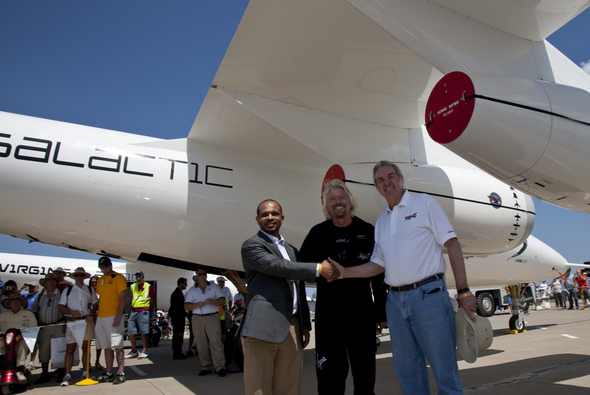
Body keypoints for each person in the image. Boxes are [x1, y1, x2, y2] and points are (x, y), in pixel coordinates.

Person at [327, 161, 477, 395]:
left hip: (428, 296)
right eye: (380, 180)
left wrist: (464, 290)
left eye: (390, 177)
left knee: (444, 371)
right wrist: (345, 272)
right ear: (376, 187)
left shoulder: (424, 203)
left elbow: (452, 244)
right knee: (408, 372)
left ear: (400, 178)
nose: (387, 183)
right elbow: (377, 265)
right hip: (395, 303)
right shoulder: (382, 222)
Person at [240, 198, 338, 395]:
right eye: (265, 214)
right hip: (262, 328)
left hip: (292, 328)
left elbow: (298, 286)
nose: (270, 217)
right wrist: (319, 268)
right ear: (257, 219)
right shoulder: (252, 246)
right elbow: (279, 267)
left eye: (274, 213)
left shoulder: (291, 250)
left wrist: (303, 324)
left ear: (282, 217)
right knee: (259, 389)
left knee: (290, 388)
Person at [298, 179, 381, 395]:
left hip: (362, 317)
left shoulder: (368, 231)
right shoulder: (317, 233)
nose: (337, 202)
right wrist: (319, 268)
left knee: (365, 378)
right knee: (329, 380)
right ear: (326, 206)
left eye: (341, 197)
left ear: (350, 201)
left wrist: (382, 313)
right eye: (332, 200)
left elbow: (380, 275)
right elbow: (300, 268)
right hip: (329, 320)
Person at [58, 267, 97, 386]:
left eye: (81, 275)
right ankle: (67, 374)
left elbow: (95, 304)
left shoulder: (90, 290)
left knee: (86, 349)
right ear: (74, 277)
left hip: (85, 321)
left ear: (84, 277)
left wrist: (91, 312)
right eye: (77, 275)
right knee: (70, 349)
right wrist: (71, 311)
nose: (79, 277)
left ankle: (85, 372)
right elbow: (60, 306)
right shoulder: (67, 290)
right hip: (72, 322)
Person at [184, 270, 227, 377]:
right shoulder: (192, 290)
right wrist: (197, 305)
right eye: (199, 274)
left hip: (212, 317)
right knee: (200, 343)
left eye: (204, 274)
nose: (202, 276)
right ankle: (205, 366)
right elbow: (186, 306)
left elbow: (223, 301)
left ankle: (220, 367)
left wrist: (212, 301)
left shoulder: (214, 287)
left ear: (206, 276)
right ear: (196, 277)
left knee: (216, 342)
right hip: (197, 318)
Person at [94, 256, 128, 385]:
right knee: (106, 347)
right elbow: (101, 297)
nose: (104, 269)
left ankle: (120, 372)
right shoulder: (100, 279)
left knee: (117, 346)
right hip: (101, 317)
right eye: (102, 267)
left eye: (106, 266)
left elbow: (122, 298)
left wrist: (119, 316)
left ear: (110, 265)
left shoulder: (118, 278)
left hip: (113, 317)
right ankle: (109, 372)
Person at [32, 273, 65, 384]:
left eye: (53, 281)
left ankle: (61, 373)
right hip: (44, 327)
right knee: (44, 351)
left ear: (56, 282)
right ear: (45, 283)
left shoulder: (61, 294)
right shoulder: (40, 295)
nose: (50, 283)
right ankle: (45, 374)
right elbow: (35, 309)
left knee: (59, 350)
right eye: (48, 281)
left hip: (58, 325)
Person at [0, 292, 38, 385]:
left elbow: (34, 329)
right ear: (9, 303)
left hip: (23, 338)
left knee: (22, 345)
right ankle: (3, 370)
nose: (15, 303)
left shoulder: (28, 314)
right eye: (12, 301)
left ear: (21, 303)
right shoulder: (3, 315)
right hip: (6, 339)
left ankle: (19, 370)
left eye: (17, 301)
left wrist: (21, 336)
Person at [126, 272, 151, 359]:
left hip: (143, 310)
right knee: (130, 331)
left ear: (143, 277)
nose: (137, 278)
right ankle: (134, 351)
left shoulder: (148, 286)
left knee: (143, 332)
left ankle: (144, 350)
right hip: (134, 310)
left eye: (139, 276)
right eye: (136, 276)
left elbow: (152, 298)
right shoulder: (132, 286)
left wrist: (151, 312)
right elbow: (130, 297)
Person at [169, 277, 188, 360]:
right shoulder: (177, 294)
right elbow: (178, 308)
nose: (186, 285)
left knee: (177, 336)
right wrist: (186, 314)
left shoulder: (178, 293)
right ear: (181, 283)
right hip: (178, 318)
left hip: (177, 318)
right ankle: (177, 353)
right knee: (178, 336)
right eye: (185, 283)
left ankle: (177, 352)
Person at [89, 275, 104, 371]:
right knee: (88, 343)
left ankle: (97, 362)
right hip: (90, 319)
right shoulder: (87, 292)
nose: (94, 284)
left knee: (99, 343)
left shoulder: (102, 292)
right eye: (93, 282)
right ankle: (88, 363)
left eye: (96, 282)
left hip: (100, 319)